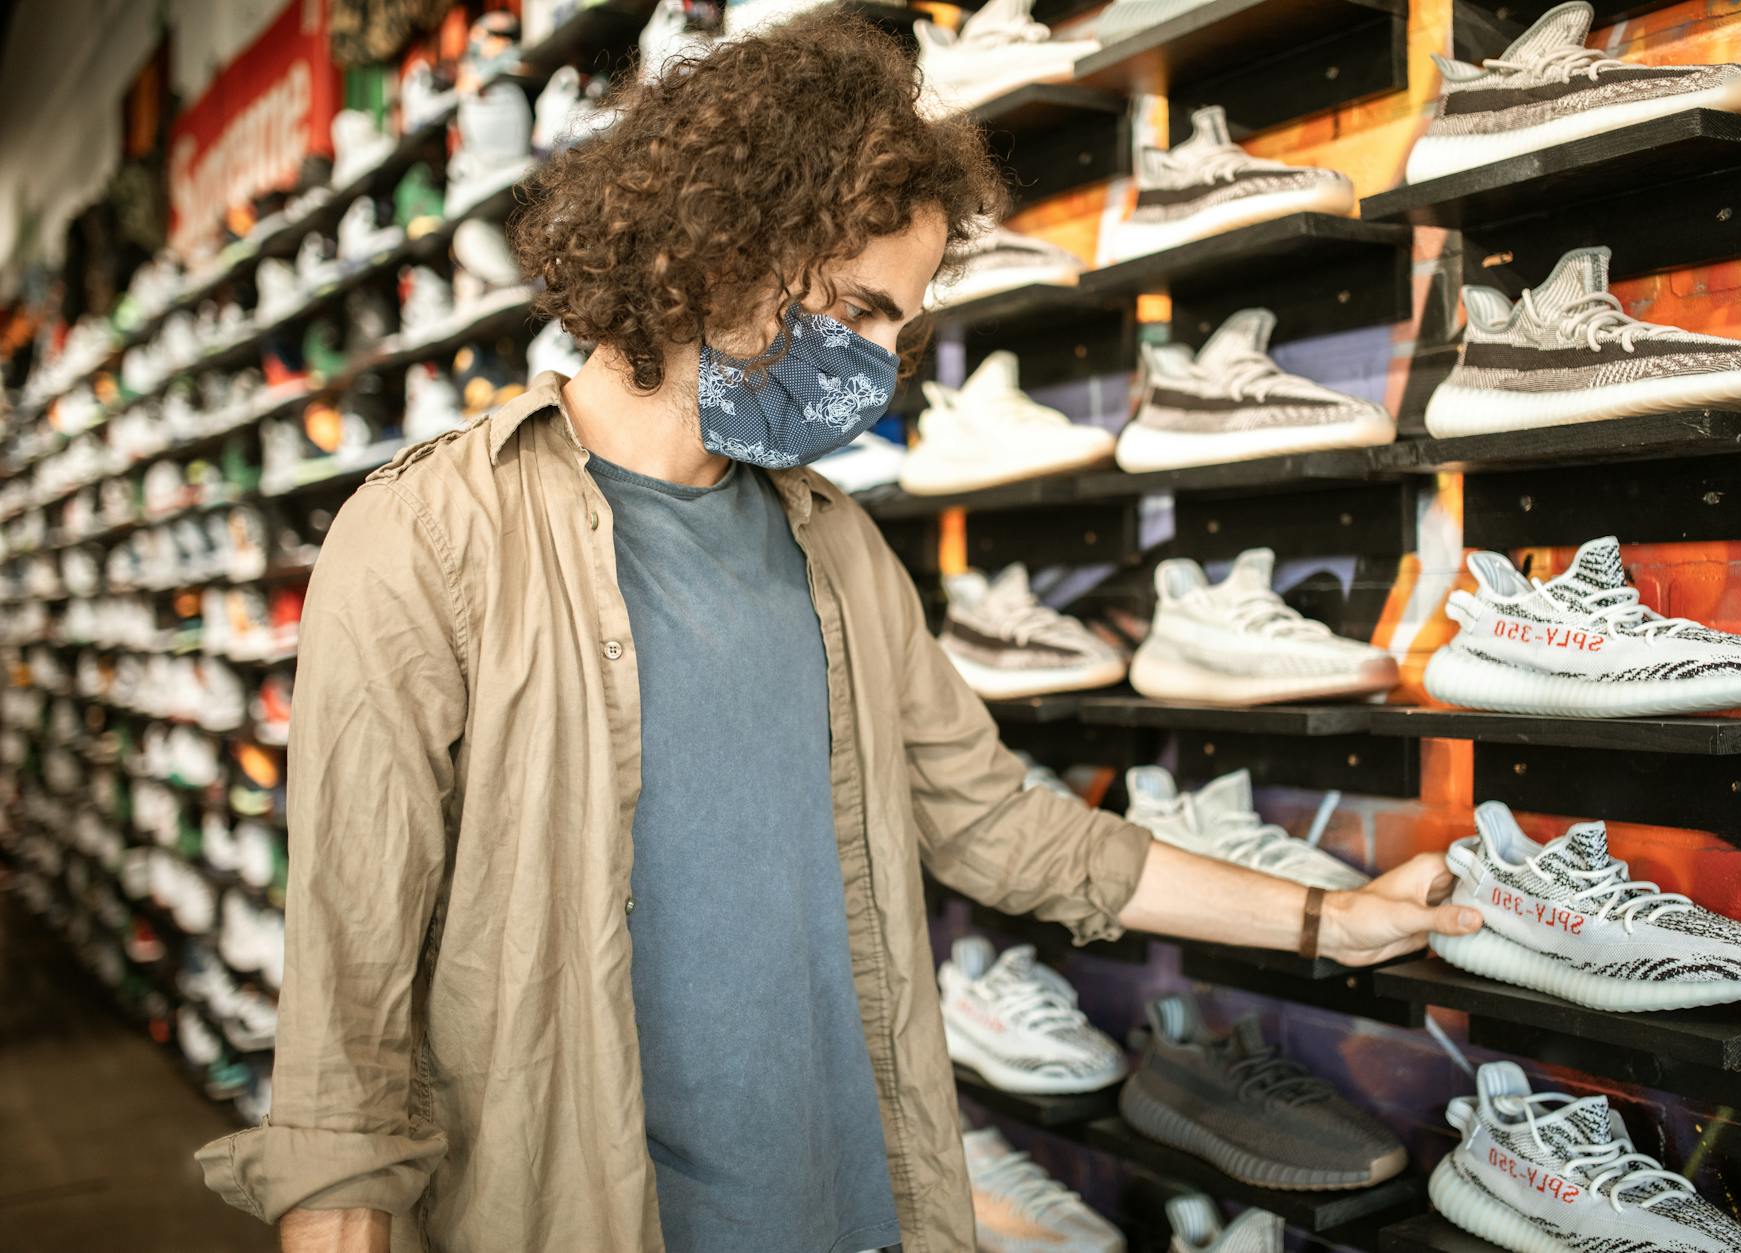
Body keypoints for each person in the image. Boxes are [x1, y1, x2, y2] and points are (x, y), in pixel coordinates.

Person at [195, 13, 1481, 1253]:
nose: (880, 365)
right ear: (718, 245)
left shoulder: (836, 548)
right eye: (861, 311)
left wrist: (1331, 919)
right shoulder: (428, 533)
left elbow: (1001, 824)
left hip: (854, 1207)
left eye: (903, 331)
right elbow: (350, 990)